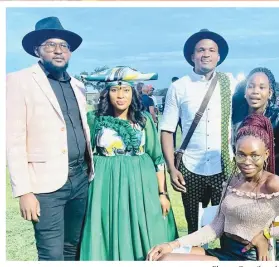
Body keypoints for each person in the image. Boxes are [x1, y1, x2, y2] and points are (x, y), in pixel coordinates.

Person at [6, 17, 94, 261]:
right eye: (50, 45)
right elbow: (13, 141)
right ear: (37, 50)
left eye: (63, 45)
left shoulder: (77, 85)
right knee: (51, 254)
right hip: (45, 187)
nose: (58, 50)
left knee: (73, 248)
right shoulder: (19, 81)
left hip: (80, 179)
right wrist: (23, 192)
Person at [148, 113, 279, 261]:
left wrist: (266, 234)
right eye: (241, 155)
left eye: (255, 155)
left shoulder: (272, 183)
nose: (247, 162)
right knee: (161, 255)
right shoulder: (233, 181)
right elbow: (215, 227)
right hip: (224, 251)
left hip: (247, 255)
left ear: (266, 154)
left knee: (167, 261)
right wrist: (172, 245)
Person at [79, 67, 178, 261]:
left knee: (146, 227)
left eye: (126, 90)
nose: (120, 96)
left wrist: (162, 193)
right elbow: (86, 155)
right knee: (107, 227)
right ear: (107, 94)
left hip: (141, 185)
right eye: (114, 90)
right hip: (105, 185)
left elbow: (157, 158)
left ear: (133, 93)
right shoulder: (94, 120)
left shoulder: (144, 120)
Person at [160, 29, 237, 234]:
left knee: (228, 227)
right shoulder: (179, 87)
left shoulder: (230, 83)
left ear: (218, 57)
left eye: (212, 50)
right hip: (190, 167)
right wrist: (171, 168)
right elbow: (167, 130)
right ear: (192, 56)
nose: (206, 54)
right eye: (201, 50)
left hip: (224, 166)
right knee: (194, 227)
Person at [232, 67, 279, 259]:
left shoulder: (276, 118)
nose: (255, 91)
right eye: (251, 86)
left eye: (262, 87)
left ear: (271, 93)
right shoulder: (235, 116)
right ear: (245, 91)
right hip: (244, 182)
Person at [171, 77, 182, 149]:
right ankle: (173, 146)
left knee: (184, 131)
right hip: (174, 115)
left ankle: (183, 146)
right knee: (173, 132)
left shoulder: (182, 91)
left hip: (181, 115)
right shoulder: (171, 91)